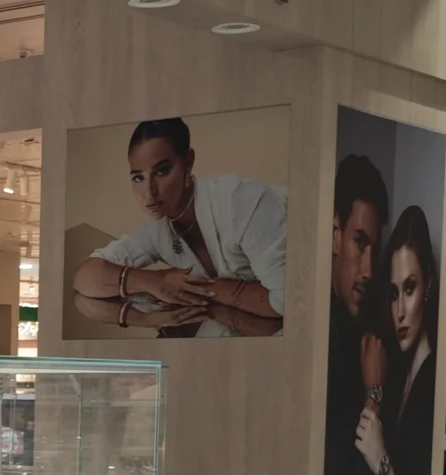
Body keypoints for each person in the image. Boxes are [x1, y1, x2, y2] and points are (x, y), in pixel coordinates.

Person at [71, 117, 286, 338]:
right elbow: (85, 279)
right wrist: (152, 287)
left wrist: (201, 289)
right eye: (138, 178)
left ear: (188, 162)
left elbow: (286, 301)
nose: (149, 192)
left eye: (162, 171)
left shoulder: (240, 201)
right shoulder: (157, 229)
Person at [352, 206, 439, 475]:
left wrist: (380, 459)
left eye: (410, 288)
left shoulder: (433, 379)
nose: (400, 311)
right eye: (393, 294)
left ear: (428, 286)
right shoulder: (399, 373)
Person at [322, 153, 390, 475]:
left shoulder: (365, 330)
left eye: (374, 250)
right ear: (335, 232)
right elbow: (344, 472)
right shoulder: (320, 338)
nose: (368, 270)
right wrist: (374, 393)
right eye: (360, 243)